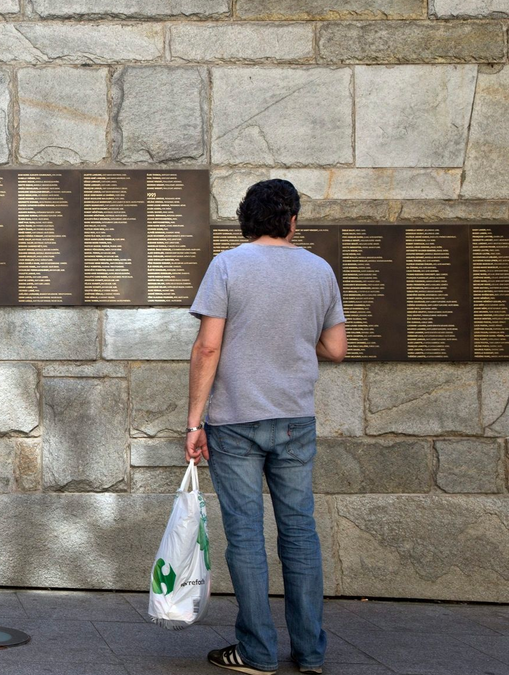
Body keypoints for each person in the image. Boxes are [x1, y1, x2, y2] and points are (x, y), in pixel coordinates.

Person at [185, 179, 347, 675]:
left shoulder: (228, 265)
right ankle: (310, 653)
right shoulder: (319, 270)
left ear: (245, 219)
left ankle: (256, 653)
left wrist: (194, 421)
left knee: (247, 536)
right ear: (292, 219)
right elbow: (336, 348)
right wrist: (296, 340)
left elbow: (208, 347)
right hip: (295, 419)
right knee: (299, 533)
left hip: (235, 420)